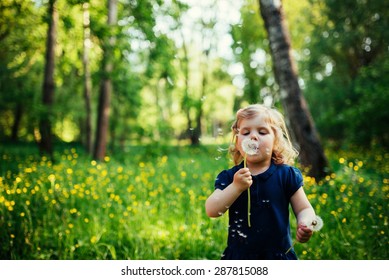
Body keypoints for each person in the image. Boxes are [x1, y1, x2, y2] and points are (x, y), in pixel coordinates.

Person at [205, 104, 316, 260]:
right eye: (246, 132)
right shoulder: (230, 177)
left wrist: (306, 222)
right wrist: (236, 187)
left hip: (278, 256)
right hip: (240, 258)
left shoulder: (286, 175)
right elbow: (212, 209)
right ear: (238, 142)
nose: (253, 136)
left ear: (275, 141)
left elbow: (304, 208)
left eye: (262, 132)